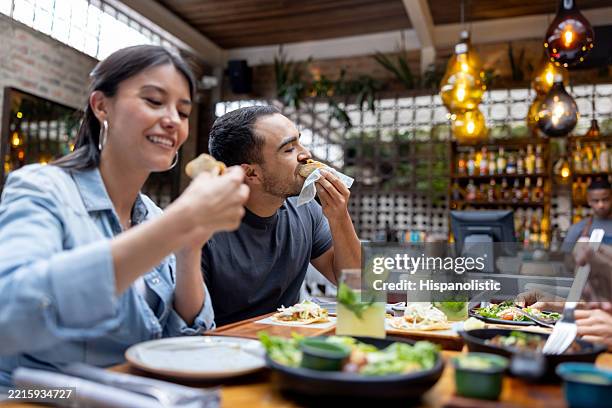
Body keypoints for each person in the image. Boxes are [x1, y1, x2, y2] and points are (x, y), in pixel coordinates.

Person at [0, 45, 249, 386]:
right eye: (153, 101)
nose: (172, 120)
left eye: (183, 110)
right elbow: (10, 313)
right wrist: (177, 225)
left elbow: (190, 337)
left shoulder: (153, 215)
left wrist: (189, 247)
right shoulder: (42, 188)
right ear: (102, 106)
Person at [201, 106, 361, 326]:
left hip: (291, 343)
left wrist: (339, 217)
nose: (306, 154)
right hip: (228, 349)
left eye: (299, 142)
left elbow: (355, 285)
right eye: (289, 149)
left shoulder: (305, 208)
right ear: (251, 173)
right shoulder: (202, 229)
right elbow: (191, 325)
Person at [561, 177, 612, 253]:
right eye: (596, 200)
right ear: (589, 200)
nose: (601, 205)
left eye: (605, 199)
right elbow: (567, 261)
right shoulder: (577, 229)